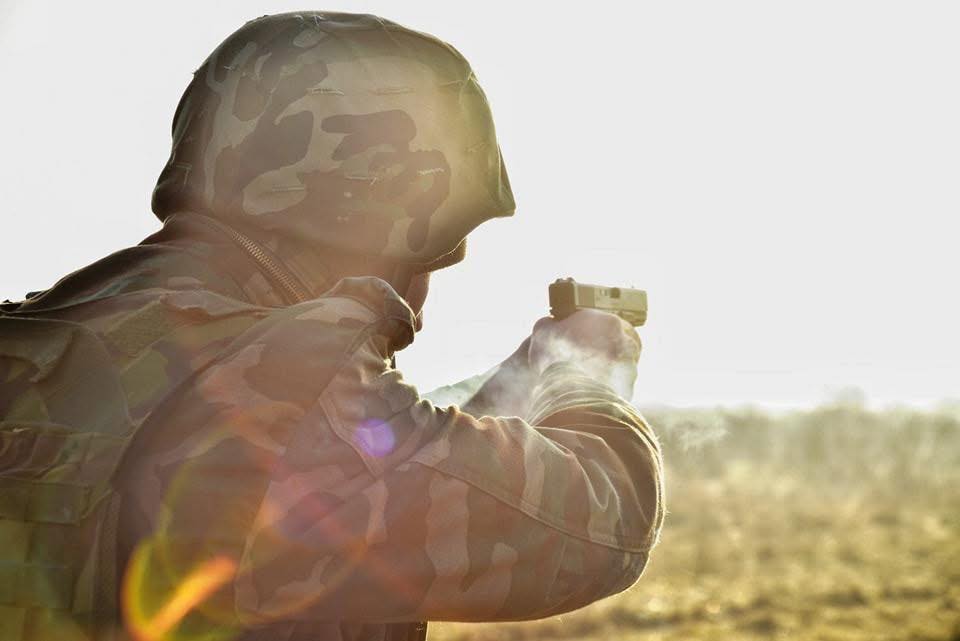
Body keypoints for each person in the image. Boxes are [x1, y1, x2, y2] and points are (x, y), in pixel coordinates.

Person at [0, 11, 664, 641]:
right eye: (440, 250)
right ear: (385, 219)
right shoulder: (296, 398)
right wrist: (584, 372)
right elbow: (601, 522)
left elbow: (389, 457)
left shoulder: (53, 340)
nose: (426, 294)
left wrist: (522, 380)